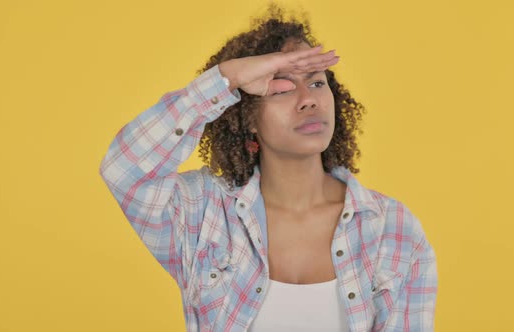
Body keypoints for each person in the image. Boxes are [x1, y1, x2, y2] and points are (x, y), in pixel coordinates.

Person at [99, 3, 437, 331]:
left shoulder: (392, 228)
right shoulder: (202, 214)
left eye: (317, 82)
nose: (308, 99)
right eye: (282, 88)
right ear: (248, 117)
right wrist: (226, 79)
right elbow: (124, 170)